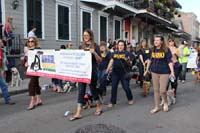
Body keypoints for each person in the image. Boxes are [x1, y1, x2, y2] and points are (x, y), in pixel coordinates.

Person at [69, 29, 102, 121]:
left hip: (92, 72)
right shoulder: (81, 46)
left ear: (90, 36)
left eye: (87, 35)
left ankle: (98, 106)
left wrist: (94, 52)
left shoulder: (96, 46)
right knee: (81, 91)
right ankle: (78, 113)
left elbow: (100, 60)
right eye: (84, 35)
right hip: (82, 72)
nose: (85, 37)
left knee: (93, 90)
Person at [144, 35, 175, 114]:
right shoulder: (152, 49)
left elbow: (169, 61)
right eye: (155, 40)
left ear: (161, 41)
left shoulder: (166, 50)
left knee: (162, 90)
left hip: (164, 72)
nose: (155, 42)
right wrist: (147, 70)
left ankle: (165, 102)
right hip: (154, 71)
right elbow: (150, 60)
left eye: (157, 40)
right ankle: (156, 107)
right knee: (156, 90)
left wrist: (172, 72)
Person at [106, 40, 134, 107]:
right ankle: (113, 102)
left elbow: (131, 64)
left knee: (126, 87)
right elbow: (111, 61)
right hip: (115, 72)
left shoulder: (127, 53)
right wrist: (107, 70)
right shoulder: (114, 53)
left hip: (124, 73)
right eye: (119, 45)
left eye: (122, 45)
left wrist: (127, 60)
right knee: (113, 87)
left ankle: (130, 98)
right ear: (117, 46)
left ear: (124, 46)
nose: (120, 46)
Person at [25, 37, 42, 110]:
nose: (30, 43)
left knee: (31, 84)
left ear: (35, 42)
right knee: (36, 84)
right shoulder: (28, 50)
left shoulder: (38, 49)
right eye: (29, 41)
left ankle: (32, 101)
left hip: (37, 69)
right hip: (31, 69)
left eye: (32, 41)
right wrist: (26, 63)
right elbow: (26, 60)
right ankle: (39, 99)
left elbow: (40, 59)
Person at [0, 39, 15, 105]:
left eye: (2, 42)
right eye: (0, 42)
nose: (2, 43)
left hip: (0, 70)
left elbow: (2, 61)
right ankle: (7, 99)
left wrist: (2, 70)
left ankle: (7, 99)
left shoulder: (1, 50)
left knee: (4, 85)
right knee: (4, 85)